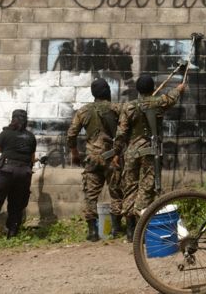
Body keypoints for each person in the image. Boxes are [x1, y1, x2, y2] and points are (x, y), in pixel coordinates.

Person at [112, 75, 185, 241]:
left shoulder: (128, 106)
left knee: (130, 187)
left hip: (131, 153)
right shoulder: (158, 103)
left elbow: (121, 133)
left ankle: (130, 229)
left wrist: (116, 152)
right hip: (150, 152)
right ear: (153, 89)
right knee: (146, 187)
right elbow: (172, 96)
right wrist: (179, 89)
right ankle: (140, 224)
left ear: (137, 89)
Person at [67, 78, 123, 242]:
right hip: (112, 157)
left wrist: (75, 153)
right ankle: (116, 228)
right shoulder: (116, 109)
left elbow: (71, 134)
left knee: (90, 195)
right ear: (108, 92)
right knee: (116, 192)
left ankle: (92, 232)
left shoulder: (83, 111)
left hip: (92, 158)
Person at [0, 109, 37, 244]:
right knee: (17, 205)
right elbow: (32, 159)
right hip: (24, 173)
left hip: (5, 172)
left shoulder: (6, 133)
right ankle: (12, 237)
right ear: (26, 120)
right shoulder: (31, 137)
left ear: (13, 119)